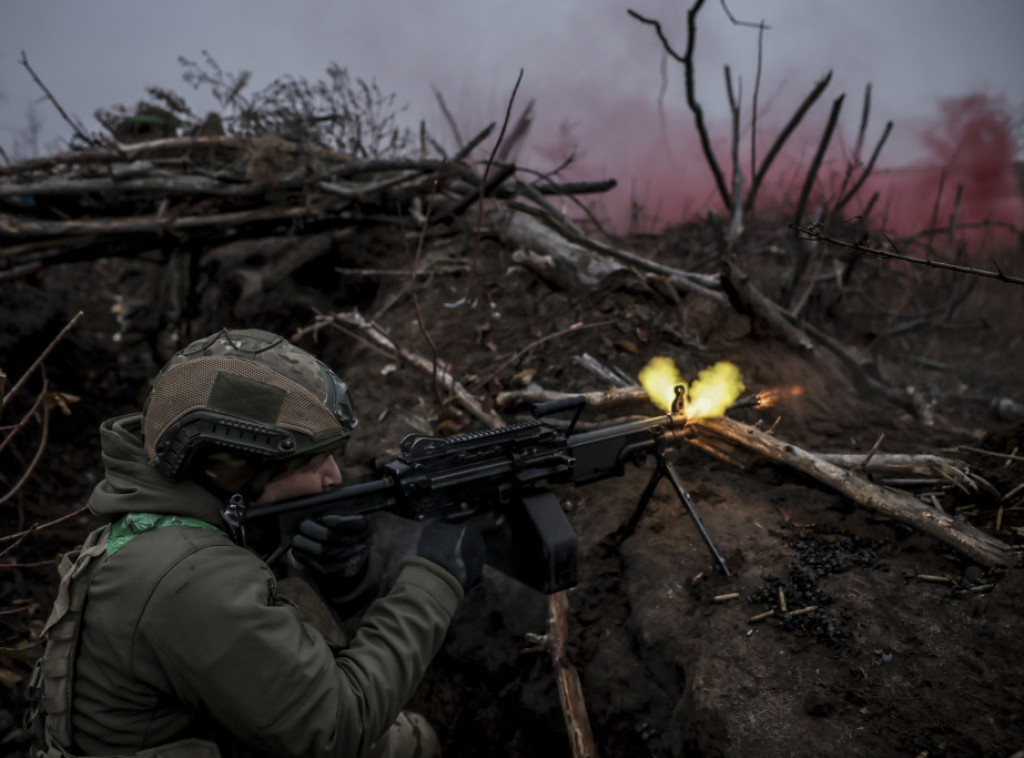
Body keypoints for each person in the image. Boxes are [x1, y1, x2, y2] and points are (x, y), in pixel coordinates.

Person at [28, 328, 485, 757]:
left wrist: (339, 576)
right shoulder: (189, 575)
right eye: (311, 464)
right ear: (234, 470)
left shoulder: (161, 525)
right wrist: (434, 578)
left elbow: (262, 627)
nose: (334, 478)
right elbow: (337, 726)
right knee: (411, 744)